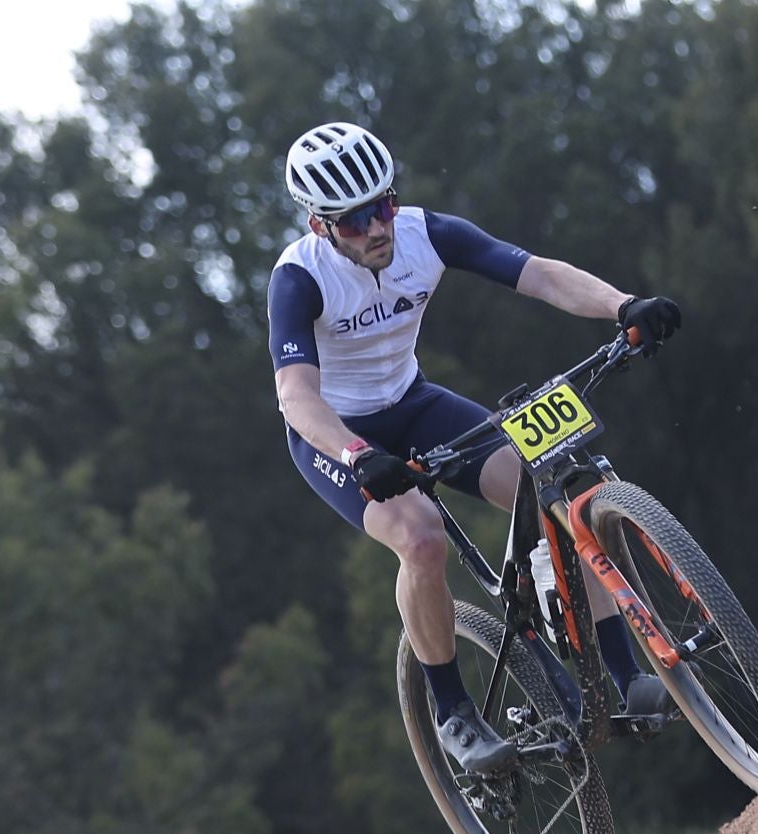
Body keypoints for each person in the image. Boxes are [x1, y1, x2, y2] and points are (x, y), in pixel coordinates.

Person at [268, 121, 682, 775]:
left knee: (546, 480)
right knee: (422, 538)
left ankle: (622, 673)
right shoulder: (299, 279)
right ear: (320, 226)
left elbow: (538, 274)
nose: (375, 229)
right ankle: (452, 711)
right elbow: (295, 395)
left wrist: (623, 305)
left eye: (383, 206)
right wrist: (355, 453)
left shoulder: (425, 234)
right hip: (336, 435)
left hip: (414, 403)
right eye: (353, 221)